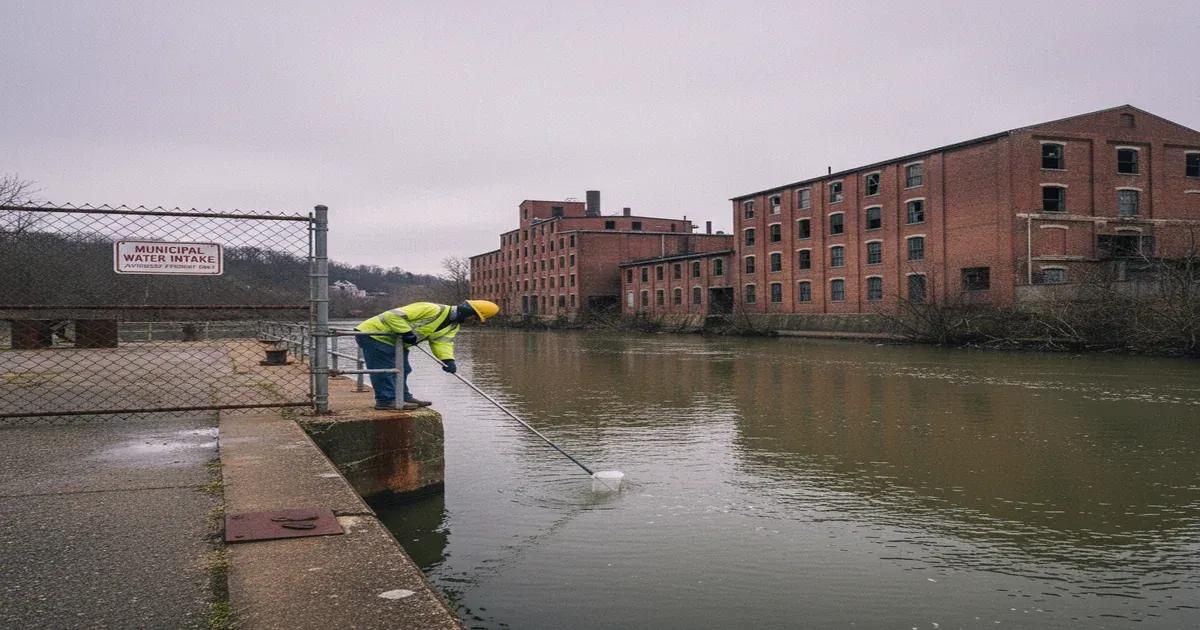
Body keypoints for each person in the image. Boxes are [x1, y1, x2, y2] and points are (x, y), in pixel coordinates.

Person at [354, 300, 499, 411]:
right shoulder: (431, 309)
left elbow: (442, 343)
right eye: (474, 317)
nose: (473, 321)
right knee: (386, 369)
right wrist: (406, 332)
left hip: (396, 342)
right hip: (373, 334)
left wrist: (448, 360)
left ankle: (403, 397)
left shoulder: (453, 325)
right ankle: (385, 401)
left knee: (404, 368)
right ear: (468, 311)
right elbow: (391, 316)